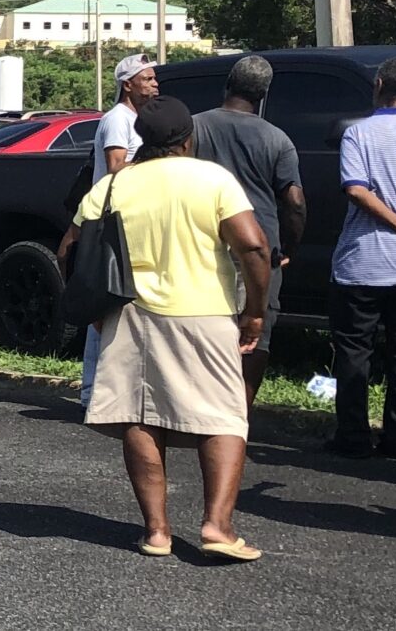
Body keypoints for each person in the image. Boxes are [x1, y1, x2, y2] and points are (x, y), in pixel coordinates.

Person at [61, 97, 270, 561]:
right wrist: (254, 311)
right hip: (205, 313)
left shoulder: (113, 187)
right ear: (187, 138)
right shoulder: (213, 179)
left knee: (140, 417)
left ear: (142, 139)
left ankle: (156, 531)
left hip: (128, 314)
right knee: (224, 417)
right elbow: (254, 247)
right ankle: (217, 525)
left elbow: (69, 249)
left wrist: (94, 309)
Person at [327, 57, 396, 460]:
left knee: (355, 350)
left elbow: (356, 189)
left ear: (378, 84)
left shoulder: (359, 133)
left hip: (363, 259)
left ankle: (353, 434)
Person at [189, 56, 305, 410]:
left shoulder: (194, 127)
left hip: (204, 243)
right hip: (257, 246)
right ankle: (239, 413)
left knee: (203, 326)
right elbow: (295, 201)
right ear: (264, 95)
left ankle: (199, 407)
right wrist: (288, 246)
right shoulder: (277, 139)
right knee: (256, 334)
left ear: (227, 84)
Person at [82, 54, 160, 405]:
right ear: (128, 84)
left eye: (155, 79)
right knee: (102, 301)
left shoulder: (142, 119)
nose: (154, 84)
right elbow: (115, 165)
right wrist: (153, 163)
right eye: (147, 79)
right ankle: (91, 390)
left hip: (134, 217)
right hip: (110, 218)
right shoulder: (118, 119)